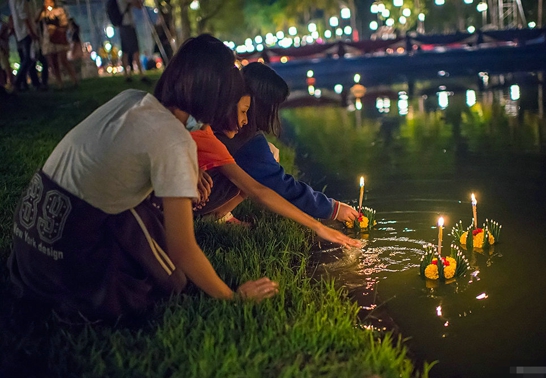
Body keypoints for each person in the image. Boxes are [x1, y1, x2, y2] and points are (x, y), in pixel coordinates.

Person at [7, 35, 282, 323]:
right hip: (64, 266)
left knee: (145, 213)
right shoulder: (174, 141)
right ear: (215, 95)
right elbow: (182, 248)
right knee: (172, 280)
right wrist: (232, 297)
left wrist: (189, 168)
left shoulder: (130, 99)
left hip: (29, 245)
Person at [188, 82, 361, 232]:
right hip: (188, 203)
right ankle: (216, 215)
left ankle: (218, 214)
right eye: (243, 111)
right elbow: (270, 189)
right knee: (256, 171)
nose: (246, 120)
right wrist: (332, 210)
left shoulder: (206, 130)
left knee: (264, 158)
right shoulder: (243, 140)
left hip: (187, 196)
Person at [37, 0, 78, 88]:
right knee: (53, 61)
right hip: (48, 39)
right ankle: (59, 82)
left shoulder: (59, 11)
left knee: (63, 59)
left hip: (58, 37)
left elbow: (65, 24)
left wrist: (56, 28)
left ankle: (74, 79)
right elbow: (36, 20)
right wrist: (42, 10)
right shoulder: (44, 13)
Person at [9, 0, 42, 91]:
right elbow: (23, 15)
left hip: (21, 31)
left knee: (28, 58)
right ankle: (17, 82)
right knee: (29, 58)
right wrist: (31, 31)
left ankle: (32, 83)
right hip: (25, 32)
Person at [116, 0, 147, 82]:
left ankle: (127, 75)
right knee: (135, 50)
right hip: (128, 26)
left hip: (122, 26)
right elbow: (138, 5)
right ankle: (141, 74)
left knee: (125, 51)